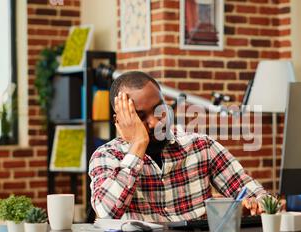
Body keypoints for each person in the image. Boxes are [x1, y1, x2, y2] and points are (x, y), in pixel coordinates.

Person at [89, 71, 269, 222]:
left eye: (159, 110)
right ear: (119, 120)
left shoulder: (202, 147)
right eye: (140, 116)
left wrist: (255, 204)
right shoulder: (106, 156)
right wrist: (138, 144)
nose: (154, 122)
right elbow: (107, 213)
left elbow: (258, 195)